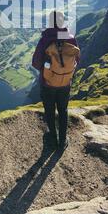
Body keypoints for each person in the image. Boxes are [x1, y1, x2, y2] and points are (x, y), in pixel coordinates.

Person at [32, 11, 80, 151]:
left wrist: (48, 69)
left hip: (48, 83)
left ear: (49, 22)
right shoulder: (70, 37)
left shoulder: (46, 39)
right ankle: (63, 140)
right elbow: (77, 59)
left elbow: (35, 62)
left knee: (50, 110)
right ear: (62, 22)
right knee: (63, 110)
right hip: (65, 82)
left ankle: (52, 138)